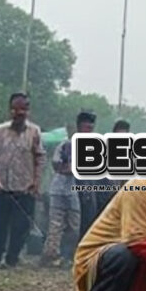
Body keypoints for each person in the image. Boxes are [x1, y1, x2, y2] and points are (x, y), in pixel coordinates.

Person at [0, 93, 46, 268]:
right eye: (15, 108)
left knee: (21, 227)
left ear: (28, 111)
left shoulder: (34, 132)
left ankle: (12, 259)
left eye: (23, 109)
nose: (19, 112)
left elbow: (40, 158)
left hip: (25, 189)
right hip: (1, 188)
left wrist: (36, 181)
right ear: (10, 110)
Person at [41, 110, 95, 267]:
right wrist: (72, 167)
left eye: (91, 128)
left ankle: (68, 256)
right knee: (56, 225)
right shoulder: (65, 145)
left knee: (74, 226)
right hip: (59, 190)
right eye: (86, 127)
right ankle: (50, 256)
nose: (89, 131)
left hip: (75, 192)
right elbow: (56, 165)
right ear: (79, 128)